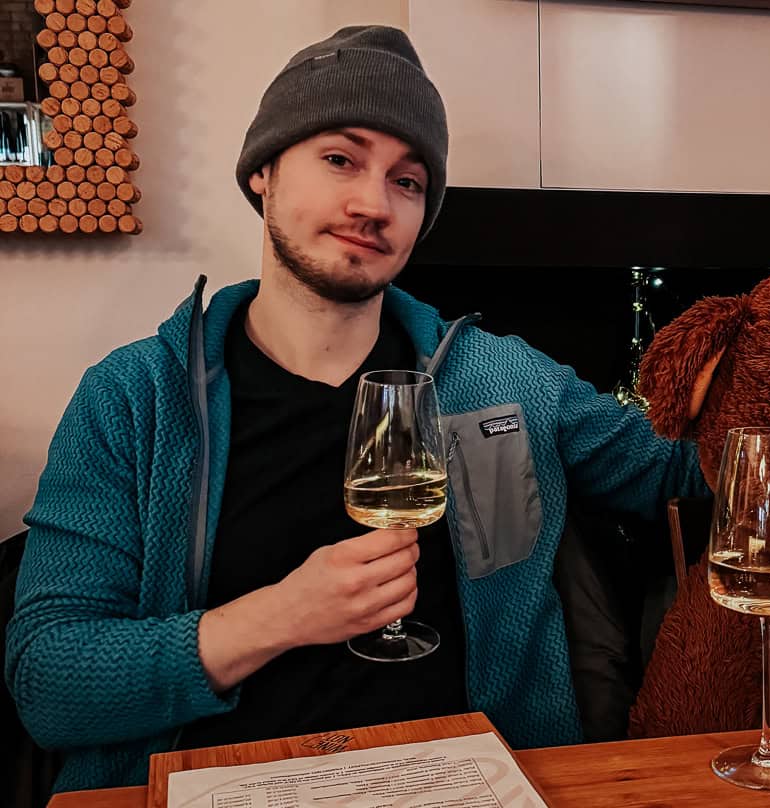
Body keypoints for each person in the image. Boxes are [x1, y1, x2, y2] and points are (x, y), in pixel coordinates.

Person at [5, 26, 706, 792]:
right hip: (217, 781)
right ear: (263, 173)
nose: (373, 203)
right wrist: (282, 615)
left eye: (408, 182)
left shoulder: (503, 380)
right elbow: (49, 681)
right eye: (340, 159)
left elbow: (683, 465)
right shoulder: (134, 398)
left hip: (473, 777)